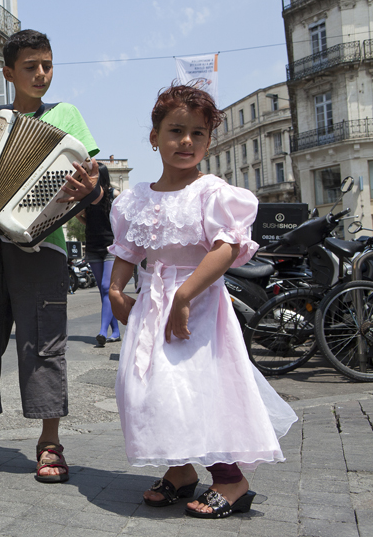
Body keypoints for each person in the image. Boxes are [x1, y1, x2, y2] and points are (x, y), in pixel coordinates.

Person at [107, 84, 297, 519]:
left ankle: (230, 478)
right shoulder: (135, 198)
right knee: (145, 390)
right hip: (154, 302)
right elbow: (127, 249)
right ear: (154, 137)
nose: (186, 141)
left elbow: (225, 246)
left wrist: (186, 293)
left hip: (198, 306)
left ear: (208, 141)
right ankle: (180, 471)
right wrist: (117, 290)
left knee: (195, 390)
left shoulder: (211, 192)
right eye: (175, 130)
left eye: (198, 133)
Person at [0, 29, 102, 482]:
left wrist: (90, 188)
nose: (42, 74)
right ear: (9, 72)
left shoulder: (67, 114)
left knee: (43, 340)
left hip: (42, 243)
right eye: (31, 67)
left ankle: (49, 444)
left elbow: (94, 183)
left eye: (47, 65)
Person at [76, 162, 120, 347]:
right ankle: (115, 331)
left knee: (105, 287)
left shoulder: (113, 195)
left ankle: (103, 331)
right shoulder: (87, 196)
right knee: (103, 291)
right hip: (93, 246)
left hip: (110, 246)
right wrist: (92, 227)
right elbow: (79, 215)